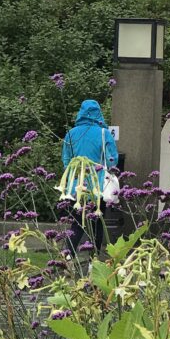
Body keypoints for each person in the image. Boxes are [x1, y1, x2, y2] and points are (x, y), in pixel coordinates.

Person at [62, 99, 119, 255]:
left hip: (76, 185)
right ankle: (93, 259)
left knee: (77, 222)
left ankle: (68, 256)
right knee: (98, 223)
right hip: (98, 185)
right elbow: (112, 160)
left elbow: (66, 161)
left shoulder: (70, 134)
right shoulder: (104, 133)